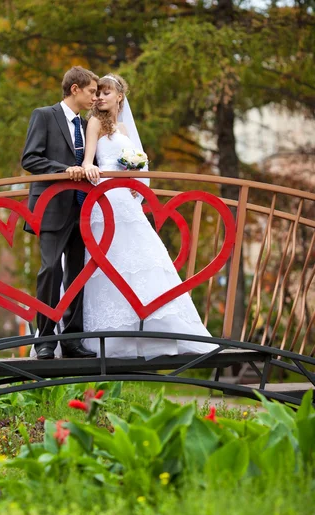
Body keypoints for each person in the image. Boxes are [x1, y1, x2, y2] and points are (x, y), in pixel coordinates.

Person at [81, 74, 216, 358]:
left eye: (106, 93)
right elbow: (88, 160)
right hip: (104, 199)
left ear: (120, 96)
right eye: (99, 93)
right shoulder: (94, 123)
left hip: (126, 201)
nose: (100, 97)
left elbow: (137, 163)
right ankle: (110, 336)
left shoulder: (125, 130)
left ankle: (157, 329)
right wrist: (91, 169)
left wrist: (135, 180)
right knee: (108, 262)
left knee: (143, 261)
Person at [21, 66, 99, 360]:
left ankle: (72, 340)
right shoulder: (44, 115)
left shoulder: (87, 124)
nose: (95, 96)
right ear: (75, 89)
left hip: (83, 208)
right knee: (50, 269)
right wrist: (63, 170)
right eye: (91, 91)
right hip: (52, 207)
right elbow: (30, 158)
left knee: (77, 274)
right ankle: (45, 339)